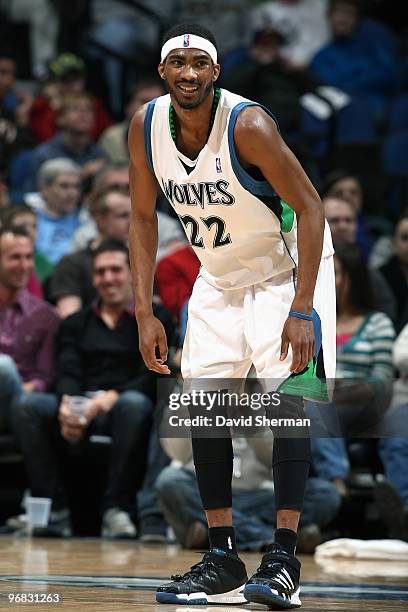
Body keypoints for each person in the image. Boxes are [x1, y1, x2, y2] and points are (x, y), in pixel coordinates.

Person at [128, 22, 336, 608]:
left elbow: (313, 209)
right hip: (218, 276)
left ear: (215, 72)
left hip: (287, 268)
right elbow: (143, 220)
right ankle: (221, 556)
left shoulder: (248, 124)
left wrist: (302, 308)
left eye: (200, 64)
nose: (188, 73)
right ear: (162, 71)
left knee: (288, 407)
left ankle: (284, 559)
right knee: (207, 405)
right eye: (178, 63)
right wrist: (144, 312)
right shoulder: (145, 127)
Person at [13, 239, 173, 537]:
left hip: (126, 404)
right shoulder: (75, 323)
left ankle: (117, 509)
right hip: (82, 401)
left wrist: (109, 399)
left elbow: (153, 375)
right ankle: (54, 508)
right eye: (100, 272)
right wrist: (67, 403)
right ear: (92, 278)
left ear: (131, 275)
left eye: (115, 270)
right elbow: (67, 369)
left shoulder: (156, 320)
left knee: (134, 404)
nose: (108, 278)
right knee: (29, 407)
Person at [0, 226, 59, 433]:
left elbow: (45, 376)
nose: (24, 265)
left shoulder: (46, 316)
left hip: (20, 403)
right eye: (15, 257)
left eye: (28, 257)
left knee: (3, 367)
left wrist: (29, 388)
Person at [49, 186, 131, 318]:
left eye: (135, 215)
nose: (132, 222)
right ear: (99, 221)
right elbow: (70, 319)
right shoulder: (71, 264)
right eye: (123, 215)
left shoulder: (140, 261)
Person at [323, 196, 396, 321]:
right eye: (334, 220)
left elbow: (387, 314)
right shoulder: (298, 265)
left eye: (349, 220)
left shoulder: (370, 273)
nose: (343, 226)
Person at [25, 92, 109, 193]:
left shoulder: (100, 154)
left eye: (88, 109)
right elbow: (35, 196)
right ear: (60, 119)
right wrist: (82, 174)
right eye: (75, 108)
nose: (83, 113)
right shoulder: (44, 155)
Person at [27, 158, 84, 266]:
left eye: (76, 186)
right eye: (64, 186)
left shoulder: (84, 220)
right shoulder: (32, 223)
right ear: (44, 189)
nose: (72, 193)